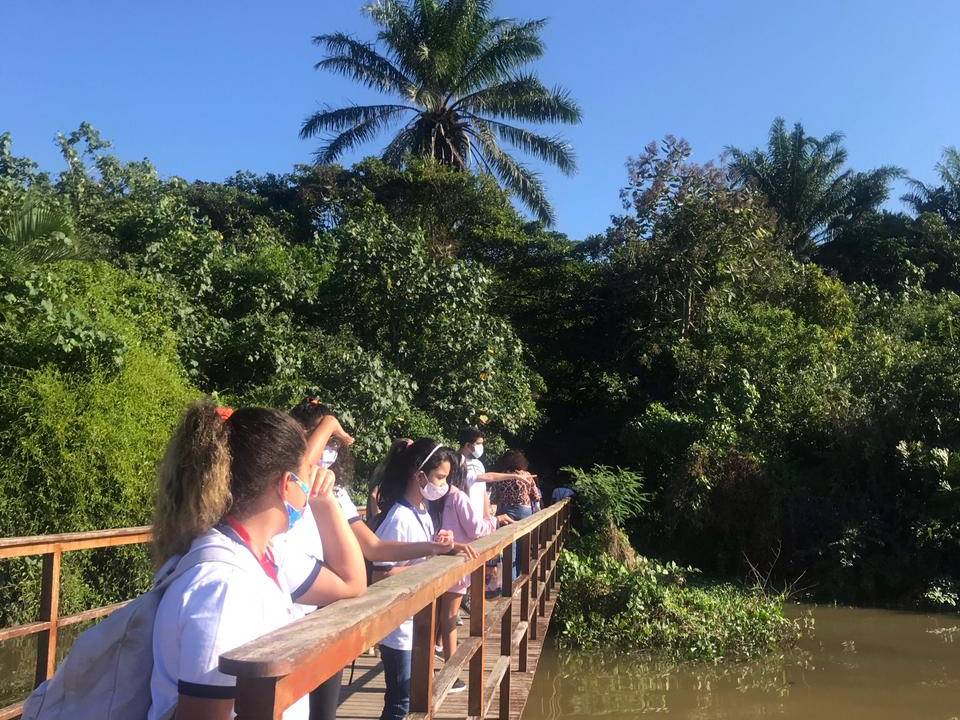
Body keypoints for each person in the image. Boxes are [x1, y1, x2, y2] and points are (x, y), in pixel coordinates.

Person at [148, 402, 366, 720]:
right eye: (308, 474)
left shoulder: (265, 555)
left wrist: (323, 499)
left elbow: (351, 581)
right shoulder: (223, 586)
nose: (314, 479)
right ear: (285, 484)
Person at [283, 402, 454, 720]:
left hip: (327, 612)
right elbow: (299, 469)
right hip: (286, 613)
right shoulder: (285, 479)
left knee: (323, 712)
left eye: (335, 443)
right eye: (325, 439)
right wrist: (330, 423)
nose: (329, 449)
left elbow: (373, 548)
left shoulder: (336, 491)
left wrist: (430, 547)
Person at [372, 439, 477, 720]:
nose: (443, 485)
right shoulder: (398, 517)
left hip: (418, 625)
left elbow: (420, 556)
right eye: (439, 477)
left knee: (414, 699)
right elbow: (381, 575)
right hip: (400, 631)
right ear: (419, 475)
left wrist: (444, 546)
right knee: (400, 703)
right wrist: (430, 560)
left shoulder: (422, 511)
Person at [432, 455, 512, 692]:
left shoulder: (436, 497)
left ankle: (430, 670)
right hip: (457, 561)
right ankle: (451, 672)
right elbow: (476, 529)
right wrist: (494, 521)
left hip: (435, 560)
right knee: (449, 618)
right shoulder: (457, 496)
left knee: (435, 617)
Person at [489, 450, 540, 579]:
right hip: (525, 511)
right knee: (524, 546)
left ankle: (510, 583)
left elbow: (493, 498)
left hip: (506, 511)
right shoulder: (527, 475)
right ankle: (521, 578)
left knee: (509, 549)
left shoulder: (501, 476)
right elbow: (536, 495)